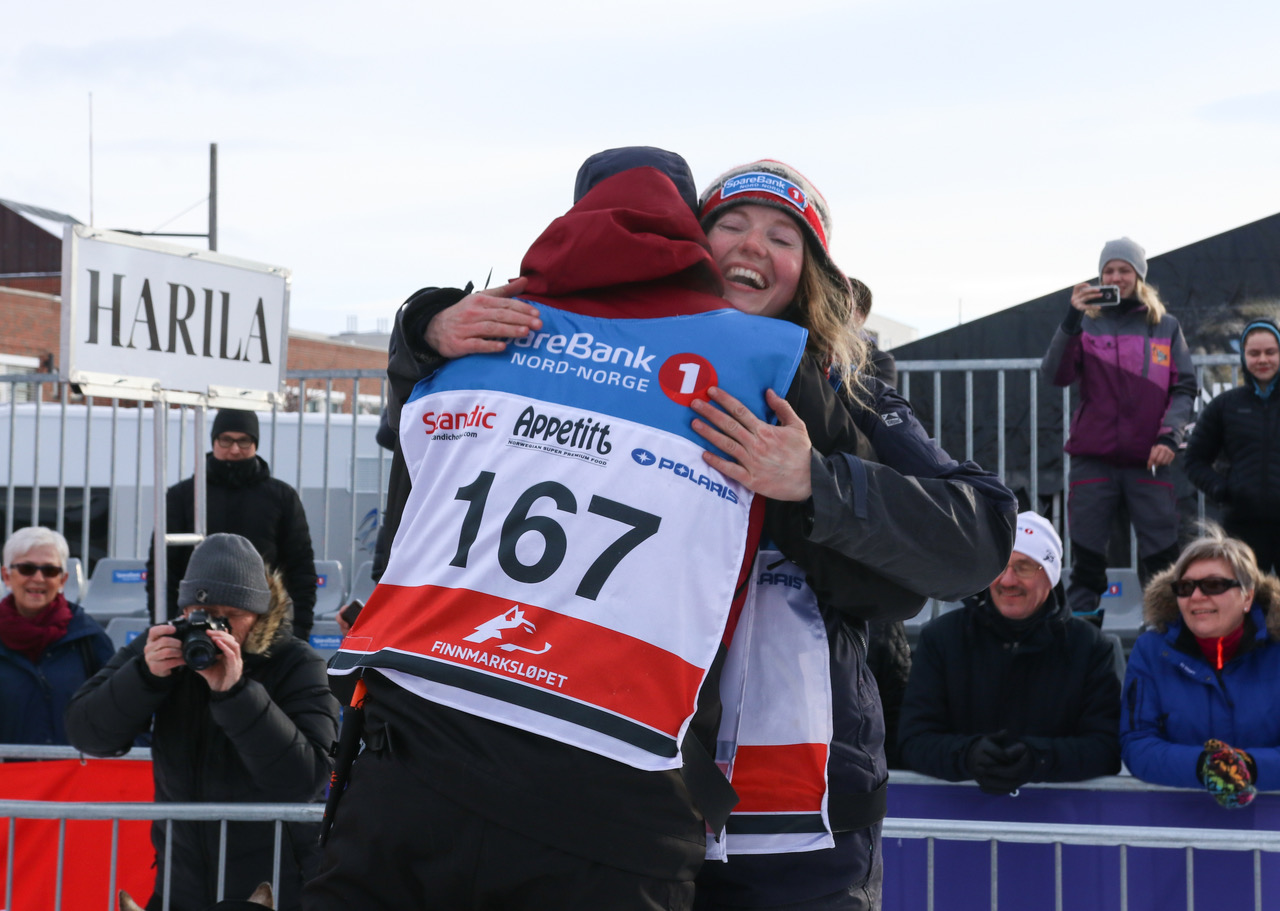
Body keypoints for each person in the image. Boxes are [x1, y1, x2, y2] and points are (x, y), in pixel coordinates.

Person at [689, 160, 1016, 911]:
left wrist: (816, 480)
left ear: (809, 270)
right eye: (731, 225)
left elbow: (981, 533)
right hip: (643, 802)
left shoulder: (854, 382)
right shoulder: (627, 356)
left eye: (781, 236)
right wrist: (422, 330)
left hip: (807, 826)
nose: (751, 246)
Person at [67, 534, 338, 911]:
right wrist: (144, 676)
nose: (212, 630)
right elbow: (86, 733)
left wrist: (236, 692)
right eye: (200, 613)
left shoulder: (297, 664)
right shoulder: (163, 647)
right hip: (182, 884)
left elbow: (306, 779)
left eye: (228, 618)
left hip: (274, 886)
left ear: (258, 614)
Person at [897, 512, 1121, 793]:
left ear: (1050, 576)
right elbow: (913, 740)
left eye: (1024, 566)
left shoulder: (1090, 647)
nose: (1007, 580)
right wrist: (968, 755)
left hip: (1057, 822)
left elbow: (1105, 747)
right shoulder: (942, 639)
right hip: (958, 822)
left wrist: (1037, 758)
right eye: (999, 566)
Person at [1041, 237, 1196, 620]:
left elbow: (1185, 387)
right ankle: (1081, 648)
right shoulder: (1084, 323)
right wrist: (1071, 318)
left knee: (1163, 562)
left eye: (1123, 269)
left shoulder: (1165, 326)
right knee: (1088, 564)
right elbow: (1054, 375)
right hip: (1092, 460)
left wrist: (1169, 435)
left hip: (1149, 460)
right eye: (1108, 270)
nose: (1115, 276)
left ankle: (1167, 640)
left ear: (1139, 275)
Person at [1121, 525, 1280, 808]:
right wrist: (1205, 766)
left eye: (1214, 585)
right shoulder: (1150, 651)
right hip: (1180, 830)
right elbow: (1137, 743)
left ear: (1247, 596)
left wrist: (1248, 767)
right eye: (1185, 587)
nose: (1196, 597)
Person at [147, 409, 318, 640]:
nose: (235, 449)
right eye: (226, 440)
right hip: (195, 626)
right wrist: (168, 626)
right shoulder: (182, 496)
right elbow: (162, 568)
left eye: (244, 441)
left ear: (255, 444)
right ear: (214, 441)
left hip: (263, 631)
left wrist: (300, 631)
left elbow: (301, 568)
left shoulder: (282, 497)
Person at [0, 526, 113, 745]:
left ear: (62, 580)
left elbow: (119, 709)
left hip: (70, 776)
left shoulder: (89, 638)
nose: (38, 578)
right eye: (26, 568)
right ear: (6, 575)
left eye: (50, 571)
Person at [1184, 319, 1280, 573]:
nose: (1263, 360)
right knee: (1246, 603)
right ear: (1243, 355)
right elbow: (1194, 460)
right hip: (1243, 526)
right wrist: (1222, 489)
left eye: (1271, 352)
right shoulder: (1226, 405)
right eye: (1254, 353)